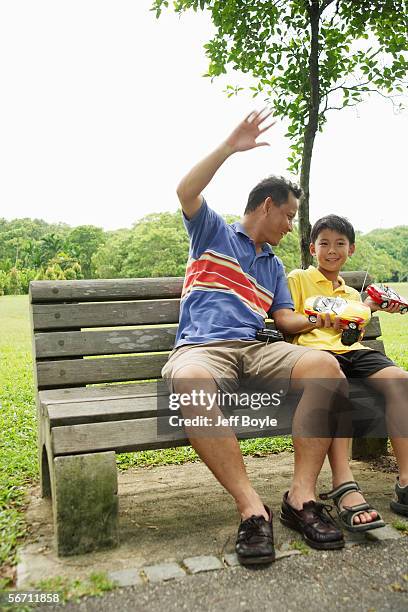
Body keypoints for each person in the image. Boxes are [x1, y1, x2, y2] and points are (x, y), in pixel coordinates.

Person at [162, 110, 351, 565]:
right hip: (203, 351)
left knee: (326, 367)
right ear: (266, 206)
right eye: (288, 215)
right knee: (187, 380)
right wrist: (229, 146)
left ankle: (301, 498)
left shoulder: (273, 267)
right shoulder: (213, 233)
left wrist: (324, 320)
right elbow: (185, 190)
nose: (291, 226)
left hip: (257, 350)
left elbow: (285, 321)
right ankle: (251, 508)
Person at [287, 214, 408, 532]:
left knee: (400, 381)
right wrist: (317, 320)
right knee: (336, 383)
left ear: (350, 249)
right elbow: (287, 324)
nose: (331, 250)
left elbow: (352, 337)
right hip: (318, 356)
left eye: (340, 243)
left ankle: (406, 482)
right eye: (324, 243)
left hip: (353, 353)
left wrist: (371, 308)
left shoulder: (352, 295)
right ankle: (344, 484)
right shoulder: (298, 278)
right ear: (312, 248)